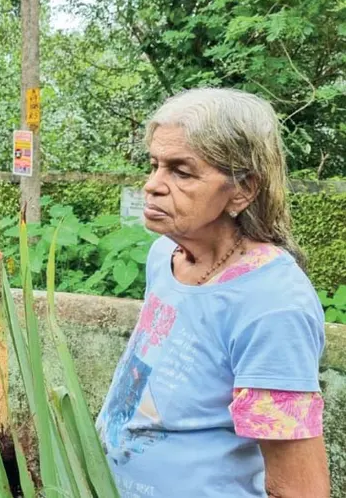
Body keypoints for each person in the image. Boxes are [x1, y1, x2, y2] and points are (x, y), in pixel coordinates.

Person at [96, 88, 330, 497]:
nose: (152, 185)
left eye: (181, 172)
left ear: (242, 189)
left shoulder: (272, 304)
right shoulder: (165, 255)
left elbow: (299, 489)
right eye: (154, 165)